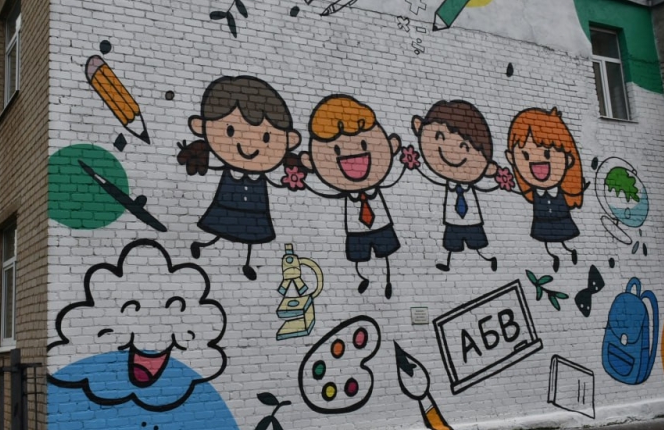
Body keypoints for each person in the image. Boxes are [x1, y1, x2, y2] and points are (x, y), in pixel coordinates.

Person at [178, 76, 301, 280]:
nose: (248, 146)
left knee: (250, 235)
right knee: (221, 229)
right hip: (227, 205)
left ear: (290, 140)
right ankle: (203, 244)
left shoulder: (262, 175)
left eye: (266, 137)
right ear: (201, 126)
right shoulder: (229, 169)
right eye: (230, 130)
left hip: (255, 210)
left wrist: (291, 178)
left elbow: (276, 181)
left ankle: (246, 263)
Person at [300, 95, 407, 299]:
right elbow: (324, 192)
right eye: (337, 149)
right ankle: (363, 278)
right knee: (358, 257)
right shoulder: (348, 195)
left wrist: (405, 164)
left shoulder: (376, 190)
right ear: (310, 161)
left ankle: (387, 281)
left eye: (364, 144)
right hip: (356, 230)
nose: (352, 160)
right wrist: (302, 181)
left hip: (382, 225)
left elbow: (393, 180)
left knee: (386, 253)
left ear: (391, 146)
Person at [412, 100, 502, 272]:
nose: (453, 154)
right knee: (451, 244)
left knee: (477, 243)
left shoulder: (471, 185)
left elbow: (487, 186)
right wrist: (415, 165)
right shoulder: (449, 184)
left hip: (473, 220)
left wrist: (497, 178)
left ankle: (488, 258)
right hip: (452, 220)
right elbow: (429, 177)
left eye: (465, 146)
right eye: (439, 137)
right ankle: (447, 263)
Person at [505, 107, 585, 272]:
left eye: (548, 154)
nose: (537, 165)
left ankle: (569, 250)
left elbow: (571, 193)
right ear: (511, 158)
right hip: (542, 223)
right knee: (547, 242)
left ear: (568, 159)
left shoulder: (561, 192)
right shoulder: (534, 193)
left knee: (563, 238)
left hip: (562, 220)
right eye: (525, 156)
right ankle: (554, 256)